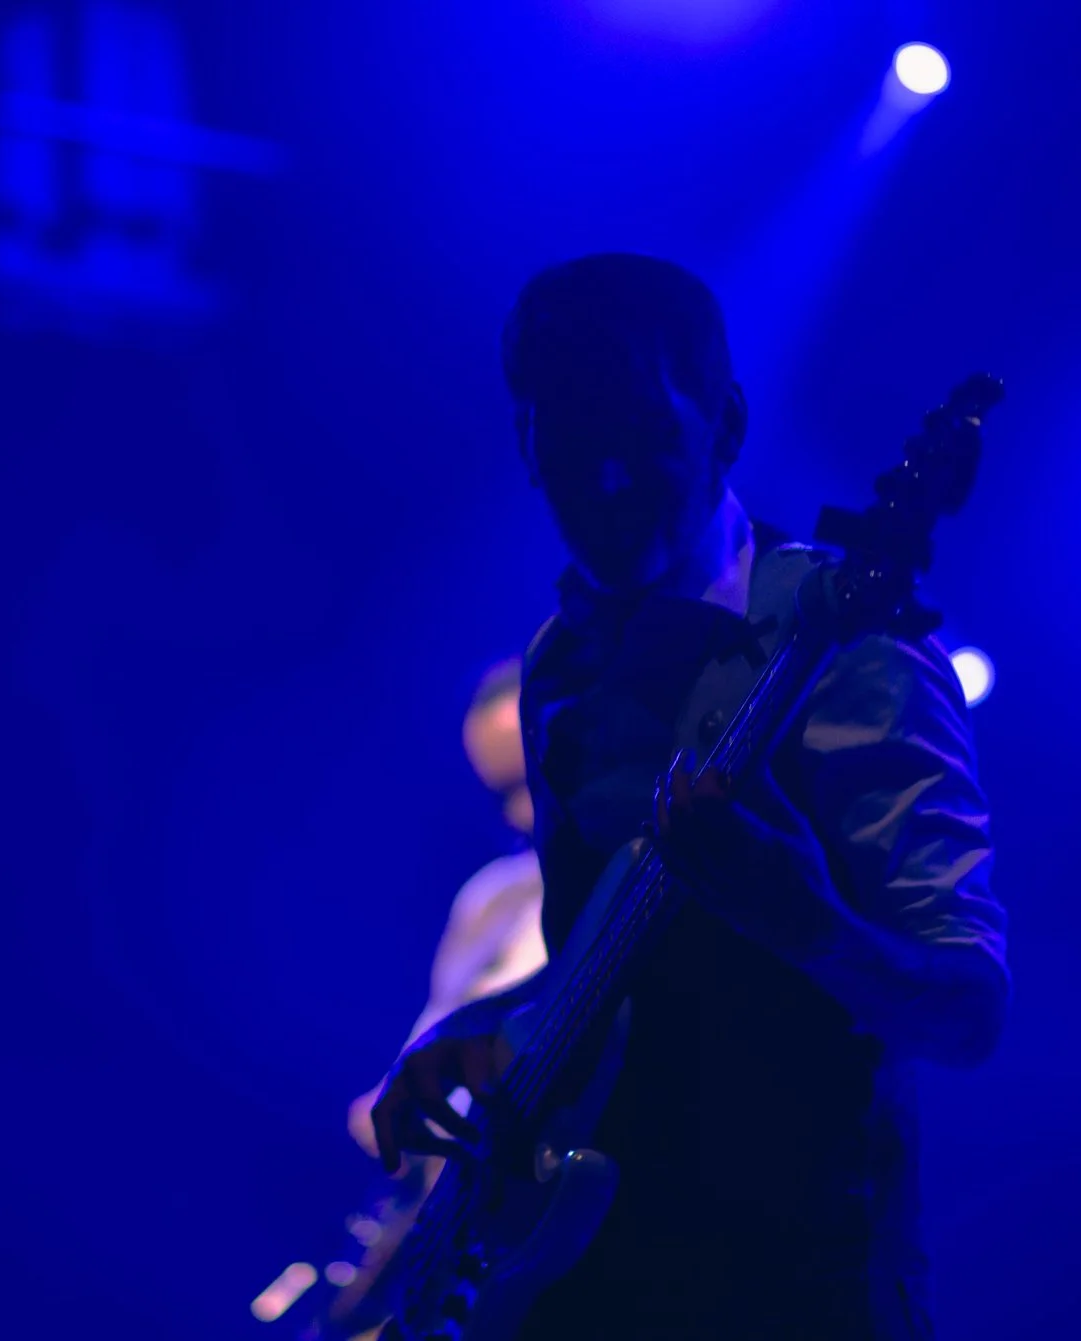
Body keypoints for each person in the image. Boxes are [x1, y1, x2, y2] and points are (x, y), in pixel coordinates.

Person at [369, 253, 1007, 1337]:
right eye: (573, 445)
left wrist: (806, 924)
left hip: (800, 1295)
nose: (609, 485)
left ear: (727, 425)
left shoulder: (850, 651)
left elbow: (968, 1010)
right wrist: (485, 1032)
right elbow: (601, 970)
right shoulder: (556, 667)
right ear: (526, 447)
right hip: (587, 1288)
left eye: (644, 439)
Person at [345, 658, 548, 1157]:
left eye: (530, 779)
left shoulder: (625, 865)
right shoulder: (489, 897)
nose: (523, 812)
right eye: (503, 795)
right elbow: (430, 1035)